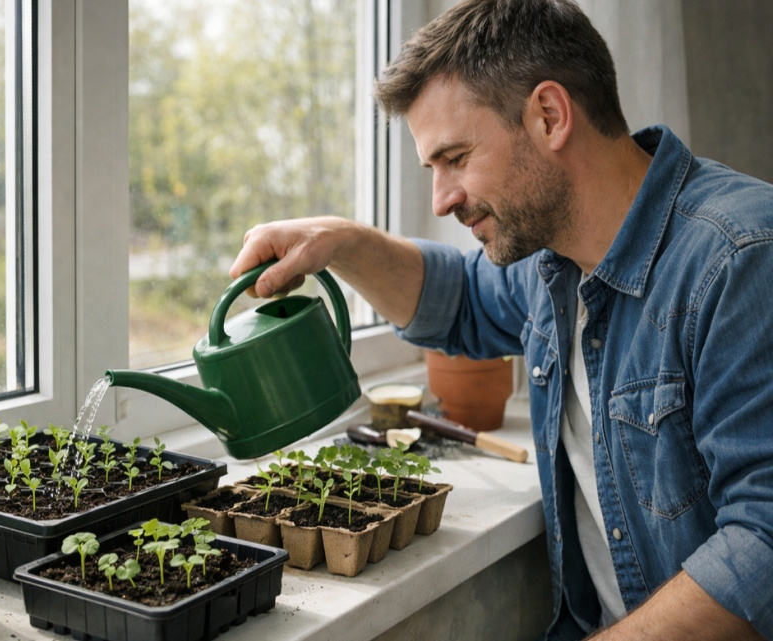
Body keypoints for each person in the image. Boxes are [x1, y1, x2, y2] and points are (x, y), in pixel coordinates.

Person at [229, 0, 773, 639]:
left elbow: (763, 545)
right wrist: (338, 241)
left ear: (549, 116)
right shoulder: (553, 262)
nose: (441, 201)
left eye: (455, 158)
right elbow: (456, 298)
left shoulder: (741, 259)